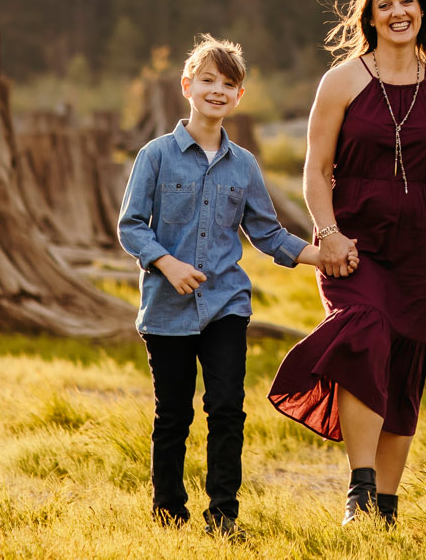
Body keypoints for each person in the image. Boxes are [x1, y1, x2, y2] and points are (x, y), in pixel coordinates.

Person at [269, 0, 426, 524]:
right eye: (385, 5)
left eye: (407, 1)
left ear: (422, 10)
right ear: (369, 18)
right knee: (366, 335)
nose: (398, 12)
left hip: (421, 246)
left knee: (406, 360)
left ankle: (388, 505)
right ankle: (361, 485)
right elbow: (314, 169)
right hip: (352, 239)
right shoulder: (343, 80)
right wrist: (327, 234)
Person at [117, 34, 323, 536]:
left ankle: (223, 515)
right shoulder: (156, 155)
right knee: (173, 416)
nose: (217, 91)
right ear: (187, 85)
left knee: (227, 408)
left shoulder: (245, 165)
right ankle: (168, 514)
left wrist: (320, 255)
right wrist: (167, 264)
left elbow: (267, 233)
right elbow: (131, 226)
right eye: (207, 80)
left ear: (238, 97)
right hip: (167, 308)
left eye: (228, 84)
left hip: (227, 305)